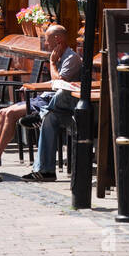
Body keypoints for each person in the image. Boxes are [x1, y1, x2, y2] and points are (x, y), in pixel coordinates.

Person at [22, 24, 83, 183]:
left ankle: (39, 114)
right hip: (60, 110)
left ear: (58, 39)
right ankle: (45, 172)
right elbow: (55, 82)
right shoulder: (61, 57)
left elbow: (58, 83)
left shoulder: (72, 58)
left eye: (48, 40)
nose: (47, 44)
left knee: (62, 92)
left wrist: (52, 63)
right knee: (49, 118)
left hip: (74, 108)